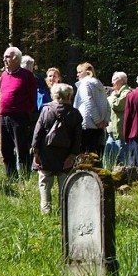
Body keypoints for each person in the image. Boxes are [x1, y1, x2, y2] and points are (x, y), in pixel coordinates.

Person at [32, 82, 83, 214]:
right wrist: (72, 156)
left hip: (46, 153)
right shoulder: (75, 114)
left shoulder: (46, 110)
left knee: (44, 182)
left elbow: (37, 132)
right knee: (64, 184)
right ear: (69, 96)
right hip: (65, 154)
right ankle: (63, 212)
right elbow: (77, 139)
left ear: (54, 95)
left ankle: (46, 210)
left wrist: (36, 152)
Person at [0, 46, 41, 181]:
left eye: (7, 57)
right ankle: (11, 178)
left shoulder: (27, 76)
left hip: (19, 117)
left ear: (16, 58)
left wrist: (26, 112)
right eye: (4, 57)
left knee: (21, 148)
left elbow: (32, 97)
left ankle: (25, 178)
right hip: (4, 116)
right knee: (6, 149)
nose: (4, 59)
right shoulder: (4, 76)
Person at [73, 63, 110, 156]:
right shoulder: (100, 85)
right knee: (96, 154)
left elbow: (88, 102)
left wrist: (97, 121)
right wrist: (105, 121)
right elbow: (107, 104)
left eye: (80, 72)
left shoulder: (85, 84)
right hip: (99, 126)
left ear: (88, 72)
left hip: (87, 124)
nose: (77, 74)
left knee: (85, 156)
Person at [104, 71, 129, 166]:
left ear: (121, 80)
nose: (112, 82)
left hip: (120, 131)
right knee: (108, 156)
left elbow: (118, 105)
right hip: (113, 130)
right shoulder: (117, 93)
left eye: (114, 80)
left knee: (121, 159)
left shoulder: (126, 92)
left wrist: (112, 97)